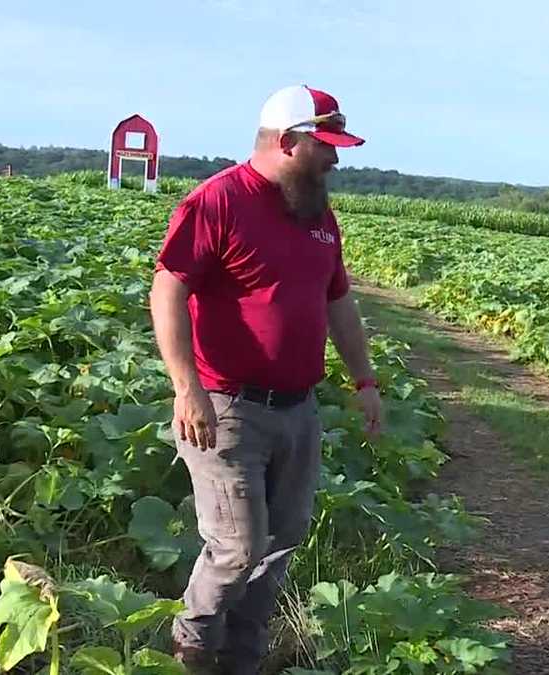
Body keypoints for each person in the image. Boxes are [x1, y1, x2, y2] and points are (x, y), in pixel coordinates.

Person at [149, 83, 383, 674]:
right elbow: (168, 289)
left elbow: (339, 303)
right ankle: (191, 649)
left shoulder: (316, 213)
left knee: (278, 545)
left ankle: (242, 659)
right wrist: (187, 388)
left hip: (297, 410)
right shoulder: (218, 201)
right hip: (226, 406)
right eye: (325, 145)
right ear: (288, 141)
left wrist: (365, 381)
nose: (335, 158)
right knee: (236, 546)